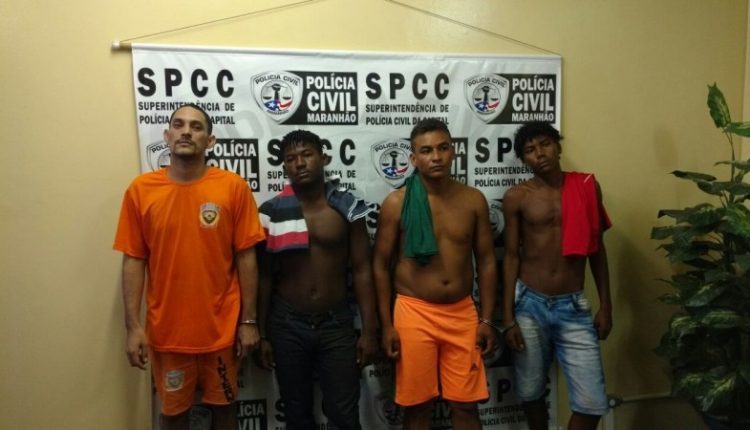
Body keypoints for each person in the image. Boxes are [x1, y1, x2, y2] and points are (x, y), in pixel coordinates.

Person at [113, 104, 265, 430]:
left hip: (222, 333)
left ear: (210, 141)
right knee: (173, 417)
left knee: (225, 412)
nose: (186, 131)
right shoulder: (140, 191)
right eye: (179, 125)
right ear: (167, 136)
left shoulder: (233, 188)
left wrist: (249, 321)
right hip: (167, 334)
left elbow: (246, 257)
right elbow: (134, 260)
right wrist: (133, 326)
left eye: (196, 127)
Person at [373, 118, 498, 430]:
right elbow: (380, 265)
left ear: (453, 151)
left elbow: (487, 261)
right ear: (414, 158)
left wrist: (487, 320)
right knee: (417, 407)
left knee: (466, 406)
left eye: (443, 148)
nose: (436, 157)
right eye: (426, 151)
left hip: (462, 313)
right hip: (414, 311)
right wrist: (386, 325)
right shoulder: (396, 203)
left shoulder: (473, 200)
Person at [254, 130, 378, 430]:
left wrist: (370, 331)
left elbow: (363, 270)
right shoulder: (271, 213)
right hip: (287, 323)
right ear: (284, 166)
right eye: (291, 159)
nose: (299, 163)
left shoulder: (348, 208)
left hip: (336, 324)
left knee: (344, 416)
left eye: (307, 155)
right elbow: (265, 276)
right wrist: (262, 333)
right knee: (296, 415)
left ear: (324, 158)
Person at [501, 122, 612, 430]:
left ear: (558, 147)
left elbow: (596, 249)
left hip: (573, 305)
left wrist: (606, 305)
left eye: (545, 144)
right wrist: (508, 318)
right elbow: (510, 257)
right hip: (529, 303)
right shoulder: (517, 197)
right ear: (524, 159)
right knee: (530, 391)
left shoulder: (587, 186)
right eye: (530, 150)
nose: (539, 153)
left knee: (592, 403)